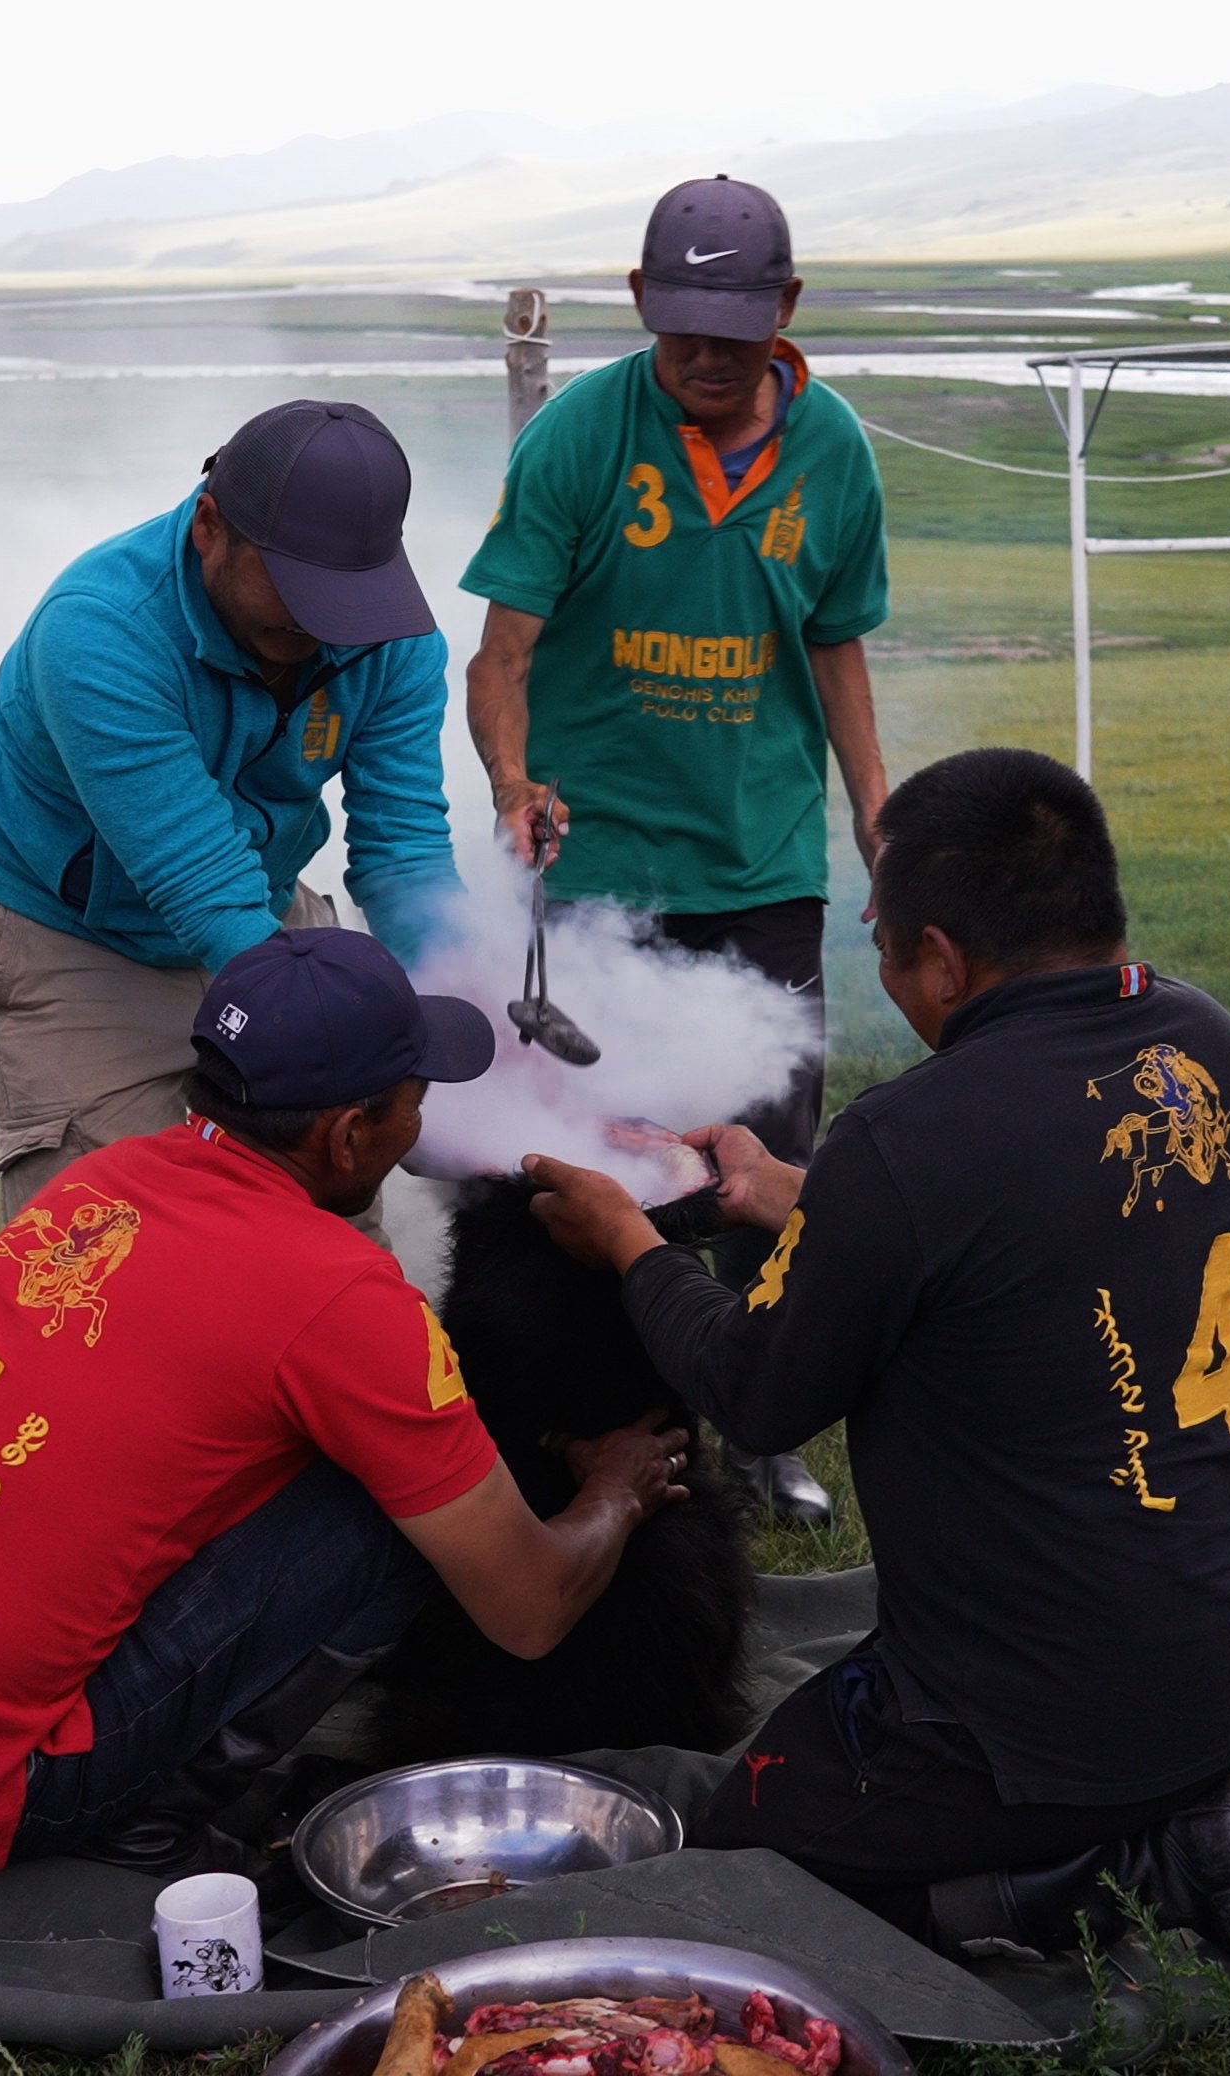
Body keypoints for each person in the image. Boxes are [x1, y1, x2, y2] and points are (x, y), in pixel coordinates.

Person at [522, 748, 1230, 2009]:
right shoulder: (1204, 1044)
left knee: (749, 1851)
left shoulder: (907, 1137)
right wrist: (784, 1193)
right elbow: (1028, 1228)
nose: (884, 974)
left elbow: (759, 1394)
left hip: (1053, 1706)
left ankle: (1141, 1864)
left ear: (941, 957)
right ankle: (1183, 1801)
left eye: (882, 946)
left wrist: (631, 1244)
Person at [0, 928, 688, 1873]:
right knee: (389, 1513)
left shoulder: (102, 1183)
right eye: (415, 1099)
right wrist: (615, 1492)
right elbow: (527, 1610)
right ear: (348, 1134)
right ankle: (144, 1820)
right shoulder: (343, 1298)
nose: (424, 1123)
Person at [463, 176, 887, 1523]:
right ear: (642, 302)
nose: (707, 358)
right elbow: (503, 651)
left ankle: (765, 1419)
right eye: (683, 327)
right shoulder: (584, 437)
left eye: (737, 330)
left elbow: (835, 646)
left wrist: (878, 815)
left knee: (765, 1157)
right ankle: (589, 1409)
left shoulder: (836, 456)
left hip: (762, 862)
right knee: (591, 1148)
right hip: (598, 878)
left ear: (788, 310)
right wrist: (513, 778)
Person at [0, 400, 461, 1221]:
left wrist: (456, 986)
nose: (321, 625)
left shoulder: (391, 633)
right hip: (83, 927)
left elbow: (403, 850)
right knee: (108, 1231)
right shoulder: (97, 633)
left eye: (346, 596)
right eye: (299, 588)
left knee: (319, 1191)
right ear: (208, 527)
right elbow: (203, 885)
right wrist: (343, 1037)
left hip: (258, 895)